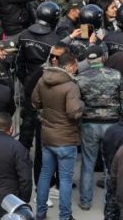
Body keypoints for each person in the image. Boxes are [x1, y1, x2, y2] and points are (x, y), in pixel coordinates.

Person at [76, 45, 123, 211]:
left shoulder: (80, 78)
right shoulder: (116, 75)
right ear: (103, 57)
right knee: (110, 164)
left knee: (87, 163)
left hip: (89, 124)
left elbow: (76, 102)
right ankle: (109, 202)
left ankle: (85, 201)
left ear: (88, 60)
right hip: (112, 124)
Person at [33, 52, 84, 220]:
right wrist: (82, 105)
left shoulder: (42, 80)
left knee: (45, 175)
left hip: (47, 135)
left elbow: (35, 102)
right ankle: (65, 216)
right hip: (66, 137)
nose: (76, 69)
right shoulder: (71, 86)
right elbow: (74, 113)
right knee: (65, 179)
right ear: (69, 66)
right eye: (75, 65)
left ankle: (40, 213)